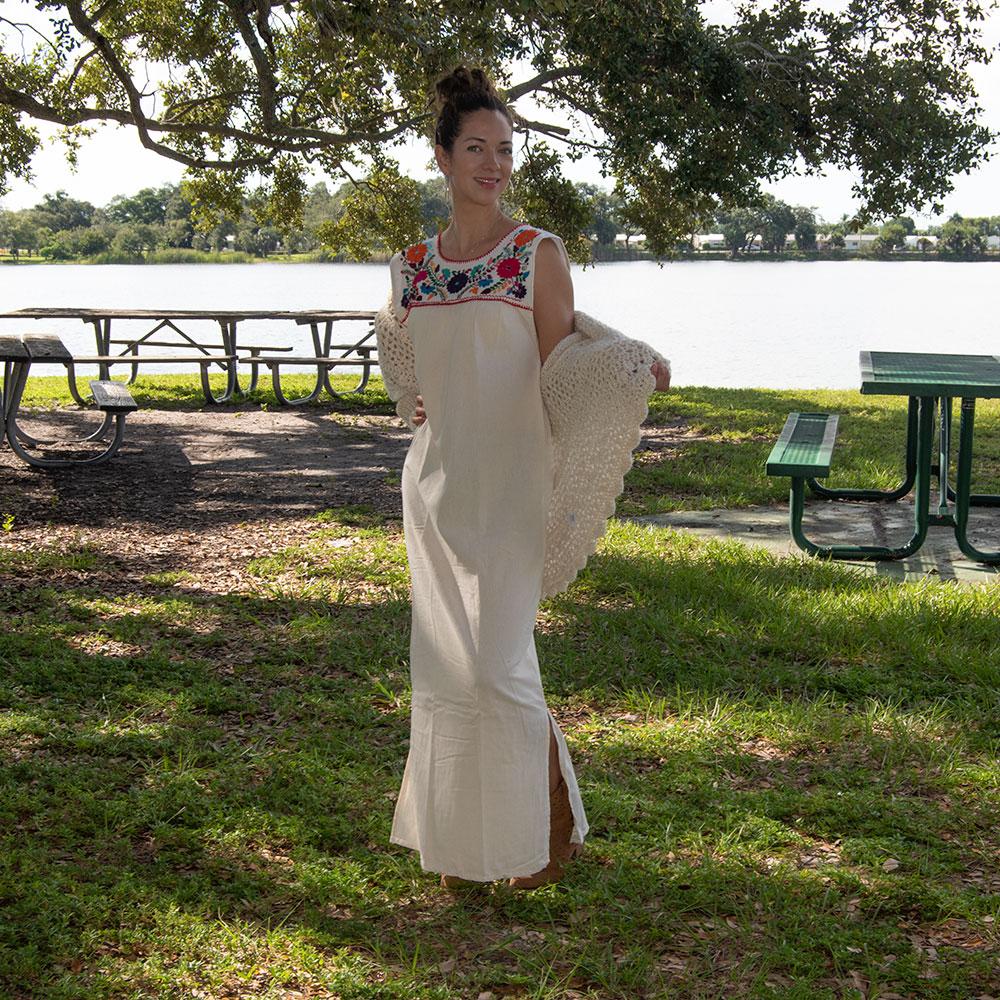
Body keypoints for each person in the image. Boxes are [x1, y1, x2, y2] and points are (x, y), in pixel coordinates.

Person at [376, 66, 671, 892]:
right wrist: (416, 404)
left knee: (497, 666)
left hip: (511, 485)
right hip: (434, 491)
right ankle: (463, 848)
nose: (494, 163)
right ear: (442, 156)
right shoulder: (412, 269)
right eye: (477, 147)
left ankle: (542, 836)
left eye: (505, 149)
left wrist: (628, 364)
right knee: (445, 670)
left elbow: (563, 360)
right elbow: (403, 360)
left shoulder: (535, 255)